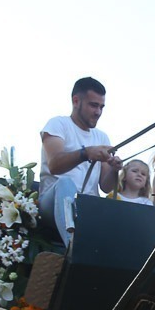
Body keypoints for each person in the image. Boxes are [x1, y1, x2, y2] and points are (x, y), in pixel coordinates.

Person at [38, 77, 122, 245]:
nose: (98, 112)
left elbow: (105, 187)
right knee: (65, 183)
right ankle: (73, 248)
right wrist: (86, 153)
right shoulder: (58, 124)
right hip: (51, 203)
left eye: (101, 107)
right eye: (93, 105)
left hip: (87, 207)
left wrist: (114, 169)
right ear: (76, 101)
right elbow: (54, 165)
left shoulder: (101, 137)